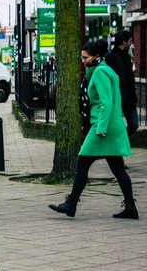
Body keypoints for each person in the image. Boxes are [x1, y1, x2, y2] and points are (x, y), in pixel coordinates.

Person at [49, 42, 138, 219]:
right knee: (117, 168)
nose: (83, 61)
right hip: (110, 125)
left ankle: (71, 203)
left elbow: (106, 102)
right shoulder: (106, 70)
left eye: (85, 57)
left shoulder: (99, 73)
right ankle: (130, 207)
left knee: (82, 161)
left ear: (96, 56)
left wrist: (101, 128)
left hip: (101, 127)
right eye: (82, 57)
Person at [105, 30, 138, 139]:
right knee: (116, 125)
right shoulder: (110, 57)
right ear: (124, 42)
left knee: (134, 123)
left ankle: (122, 140)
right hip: (118, 96)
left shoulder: (127, 56)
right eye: (130, 41)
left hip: (129, 96)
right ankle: (119, 143)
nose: (131, 43)